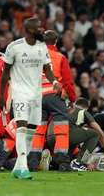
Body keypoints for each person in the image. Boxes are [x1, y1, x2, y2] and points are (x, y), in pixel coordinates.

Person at [0, 17, 61, 179]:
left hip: (36, 94)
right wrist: (1, 95)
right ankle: (24, 167)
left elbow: (47, 68)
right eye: (39, 27)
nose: (42, 29)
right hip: (20, 93)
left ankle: (18, 168)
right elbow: (5, 74)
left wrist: (54, 81)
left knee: (31, 132)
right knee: (22, 128)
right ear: (29, 30)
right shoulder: (14, 47)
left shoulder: (42, 47)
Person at [28, 30, 77, 172]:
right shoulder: (59, 57)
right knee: (61, 129)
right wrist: (72, 99)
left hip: (37, 96)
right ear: (56, 41)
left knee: (38, 130)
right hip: (54, 96)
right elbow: (68, 82)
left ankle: (32, 162)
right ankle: (62, 162)